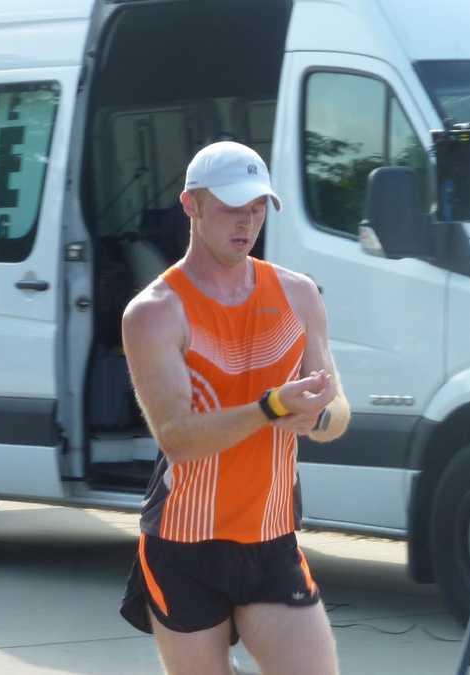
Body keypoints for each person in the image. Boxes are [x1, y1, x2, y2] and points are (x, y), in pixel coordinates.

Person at [118, 141, 352, 675]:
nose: (246, 221)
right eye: (231, 207)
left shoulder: (299, 294)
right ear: (191, 205)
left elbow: (337, 411)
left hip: (271, 540)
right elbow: (177, 436)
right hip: (184, 547)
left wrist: (315, 417)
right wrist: (270, 408)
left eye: (257, 207)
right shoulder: (154, 312)